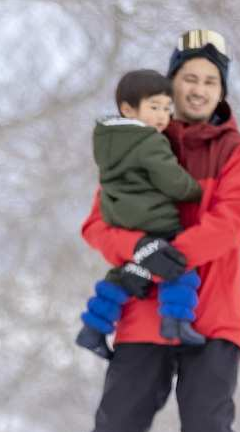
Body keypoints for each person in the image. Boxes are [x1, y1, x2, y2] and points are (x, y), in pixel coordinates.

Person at [71, 29, 240, 432]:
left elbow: (231, 221)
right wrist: (139, 251)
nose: (199, 89)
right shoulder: (136, 144)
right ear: (171, 84)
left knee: (208, 431)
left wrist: (171, 255)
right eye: (189, 78)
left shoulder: (237, 152)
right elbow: (96, 223)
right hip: (139, 318)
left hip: (212, 313)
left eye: (210, 80)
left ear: (221, 89)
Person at [76, 69, 206, 358]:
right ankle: (175, 321)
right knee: (178, 262)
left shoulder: (107, 139)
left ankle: (93, 329)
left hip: (119, 216)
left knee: (127, 273)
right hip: (151, 218)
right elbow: (170, 179)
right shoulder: (149, 141)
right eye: (155, 107)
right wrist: (195, 192)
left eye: (167, 109)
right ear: (128, 109)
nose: (163, 116)